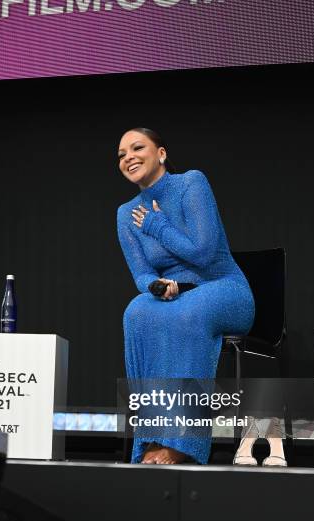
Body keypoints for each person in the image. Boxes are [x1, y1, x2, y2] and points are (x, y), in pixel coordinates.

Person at [117, 127, 256, 465]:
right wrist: (155, 287)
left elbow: (205, 253)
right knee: (136, 312)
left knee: (185, 315)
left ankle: (182, 442)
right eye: (121, 154)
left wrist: (156, 225)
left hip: (223, 287)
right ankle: (150, 438)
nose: (128, 157)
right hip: (175, 296)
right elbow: (141, 273)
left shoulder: (191, 183)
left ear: (161, 153)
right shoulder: (125, 213)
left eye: (137, 148)